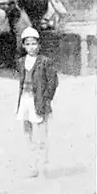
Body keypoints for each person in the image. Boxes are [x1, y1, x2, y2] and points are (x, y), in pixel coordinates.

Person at [15, 27, 59, 178]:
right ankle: (32, 166)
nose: (31, 47)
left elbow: (53, 82)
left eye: (34, 43)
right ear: (23, 45)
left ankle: (43, 168)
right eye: (28, 44)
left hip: (39, 102)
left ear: (39, 44)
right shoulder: (21, 62)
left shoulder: (45, 62)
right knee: (28, 135)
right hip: (25, 101)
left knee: (41, 136)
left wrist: (46, 100)